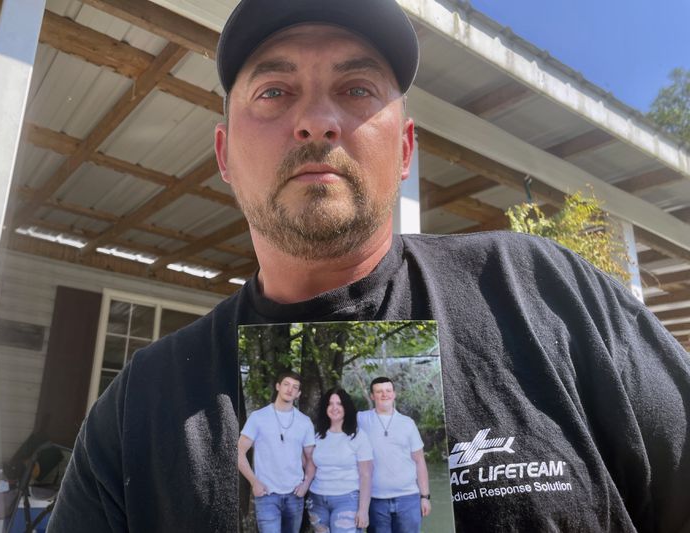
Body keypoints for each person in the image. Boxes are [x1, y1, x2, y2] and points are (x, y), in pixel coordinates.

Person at [47, 0, 690, 531]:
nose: (317, 121)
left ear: (406, 148)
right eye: (275, 91)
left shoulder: (546, 295)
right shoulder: (139, 408)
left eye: (356, 89)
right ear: (224, 155)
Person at [238, 371, 315, 533]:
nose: (290, 389)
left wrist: (305, 485)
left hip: (295, 495)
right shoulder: (258, 417)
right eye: (286, 384)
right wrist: (254, 482)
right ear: (278, 386)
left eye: (295, 387)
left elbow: (311, 460)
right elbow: (238, 452)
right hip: (267, 495)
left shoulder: (304, 422)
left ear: (299, 394)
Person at [357, 377, 430, 533]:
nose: (384, 395)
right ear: (372, 396)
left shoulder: (407, 423)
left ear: (394, 394)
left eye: (388, 391)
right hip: (375, 500)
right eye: (379, 391)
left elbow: (419, 461)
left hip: (408, 499)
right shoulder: (361, 419)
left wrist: (425, 497)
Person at [307, 388, 373, 532]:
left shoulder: (358, 436)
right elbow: (311, 464)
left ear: (346, 407)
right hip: (317, 500)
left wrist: (363, 510)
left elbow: (366, 475)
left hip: (347, 499)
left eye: (339, 404)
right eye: (330, 404)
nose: (334, 408)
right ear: (325, 407)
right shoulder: (317, 434)